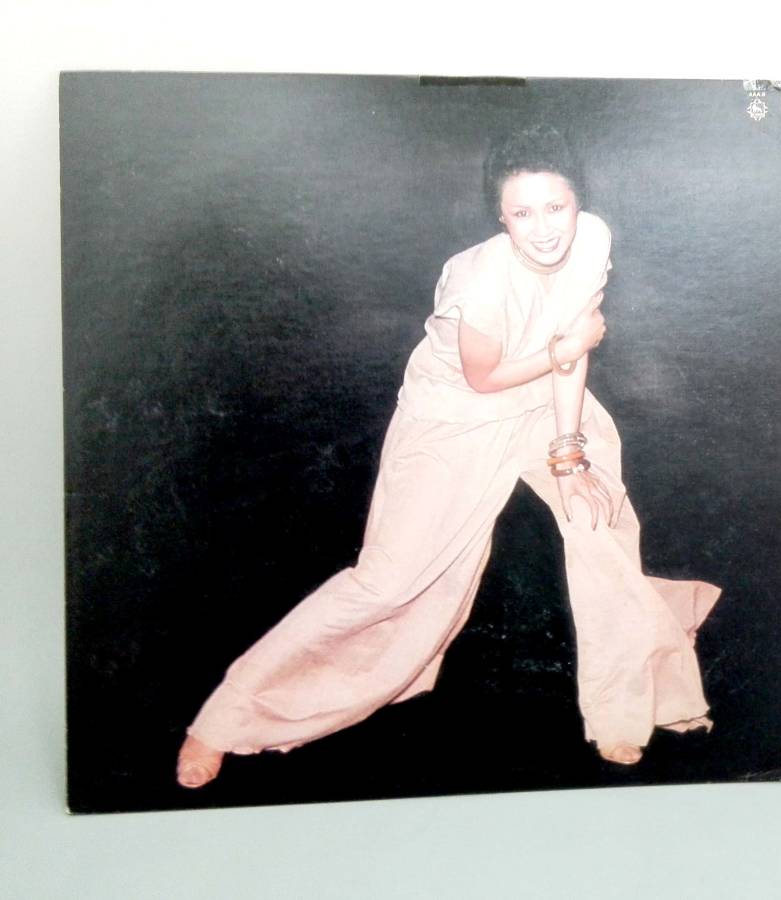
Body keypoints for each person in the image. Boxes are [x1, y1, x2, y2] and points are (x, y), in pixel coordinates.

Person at [176, 124, 720, 788]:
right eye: (523, 212)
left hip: (546, 404)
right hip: (455, 418)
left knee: (599, 524)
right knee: (392, 580)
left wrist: (569, 456)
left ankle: (627, 710)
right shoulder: (479, 278)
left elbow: (571, 356)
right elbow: (487, 376)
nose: (544, 229)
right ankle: (228, 719)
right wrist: (568, 346)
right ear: (501, 216)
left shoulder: (592, 240)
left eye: (556, 207)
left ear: (580, 201)